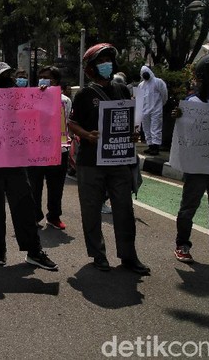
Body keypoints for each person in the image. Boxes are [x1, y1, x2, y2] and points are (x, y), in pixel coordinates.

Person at [68, 43, 150, 275]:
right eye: (101, 61)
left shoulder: (122, 90)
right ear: (92, 68)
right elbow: (72, 123)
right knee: (92, 209)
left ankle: (129, 256)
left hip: (118, 161)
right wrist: (86, 135)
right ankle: (98, 254)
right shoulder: (84, 94)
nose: (107, 64)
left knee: (124, 209)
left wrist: (134, 133)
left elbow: (130, 118)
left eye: (109, 60)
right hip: (90, 162)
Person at [0, 62, 57, 270]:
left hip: (15, 163)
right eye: (1, 78)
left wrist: (43, 97)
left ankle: (33, 251)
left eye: (8, 77)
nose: (7, 81)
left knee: (24, 207)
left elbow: (39, 117)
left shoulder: (22, 99)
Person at [172, 53, 209, 263]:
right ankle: (182, 244)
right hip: (198, 166)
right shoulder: (192, 102)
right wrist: (177, 116)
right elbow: (184, 130)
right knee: (189, 207)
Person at [27, 66, 72, 230]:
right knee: (34, 185)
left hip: (58, 150)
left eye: (48, 78)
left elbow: (63, 122)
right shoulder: (31, 98)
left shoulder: (65, 101)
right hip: (36, 151)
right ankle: (34, 216)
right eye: (41, 77)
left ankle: (54, 216)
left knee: (56, 186)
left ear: (56, 81)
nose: (44, 80)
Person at [138, 66, 168, 155]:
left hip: (156, 110)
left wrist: (160, 105)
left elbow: (164, 95)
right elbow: (139, 98)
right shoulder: (141, 85)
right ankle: (150, 145)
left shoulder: (158, 82)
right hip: (144, 110)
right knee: (146, 128)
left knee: (155, 128)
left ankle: (156, 147)